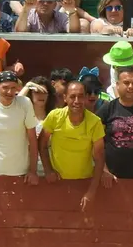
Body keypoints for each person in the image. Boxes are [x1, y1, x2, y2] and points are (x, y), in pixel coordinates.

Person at [38, 79, 106, 211]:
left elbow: (99, 157)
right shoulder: (54, 116)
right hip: (56, 182)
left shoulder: (95, 122)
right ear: (65, 98)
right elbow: (42, 144)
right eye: (72, 96)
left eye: (81, 96)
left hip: (84, 182)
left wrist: (91, 191)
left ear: (86, 98)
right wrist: (48, 170)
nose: (77, 101)